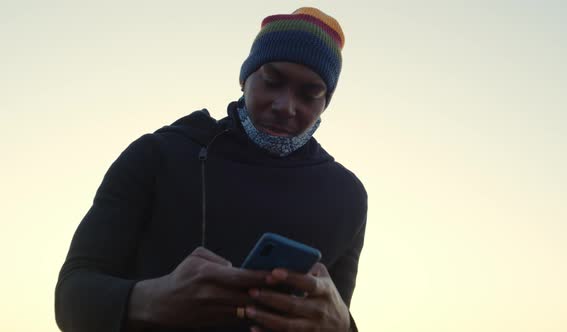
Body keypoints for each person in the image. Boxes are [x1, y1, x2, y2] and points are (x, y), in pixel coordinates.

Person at [55, 7, 367, 332]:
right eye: (272, 81)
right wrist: (152, 299)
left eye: (310, 93)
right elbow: (71, 296)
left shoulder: (347, 195)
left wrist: (344, 325)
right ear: (245, 78)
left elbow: (333, 311)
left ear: (326, 102)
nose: (285, 106)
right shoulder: (158, 154)